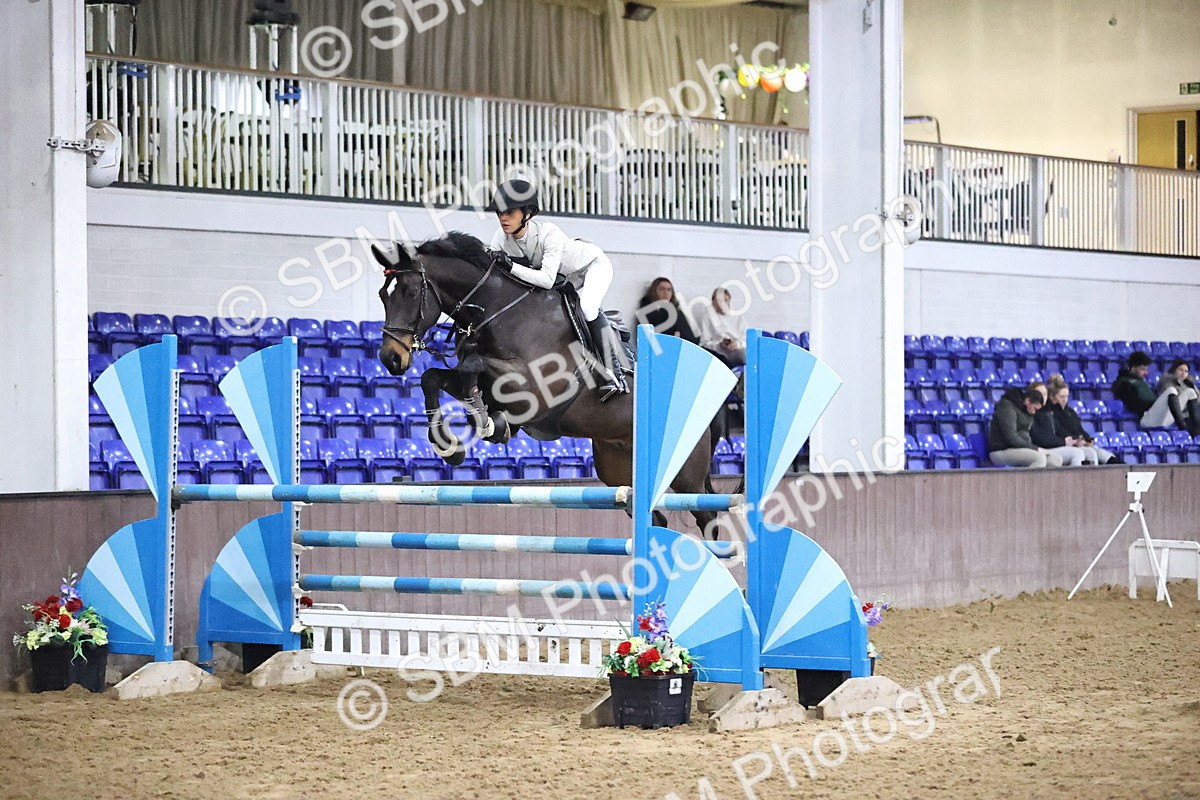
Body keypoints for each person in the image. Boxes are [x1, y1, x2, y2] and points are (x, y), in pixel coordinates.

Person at [486, 179, 626, 402]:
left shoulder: (549, 233)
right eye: (499, 212)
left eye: (510, 212)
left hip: (591, 267)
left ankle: (613, 373)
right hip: (566, 280)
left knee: (588, 307)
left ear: (527, 214)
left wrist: (510, 265)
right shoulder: (500, 238)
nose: (503, 218)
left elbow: (546, 279)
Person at [1042, 374, 1122, 465]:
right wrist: (1076, 440)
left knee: (1103, 454)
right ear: (1052, 397)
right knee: (1090, 453)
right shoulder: (1050, 413)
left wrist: (1087, 439)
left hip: (1078, 442)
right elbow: (1059, 431)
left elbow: (1079, 428)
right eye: (1061, 397)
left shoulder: (1070, 412)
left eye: (1067, 396)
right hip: (1066, 444)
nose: (1065, 400)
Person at [987, 386, 1065, 468]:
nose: (1034, 412)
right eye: (1034, 408)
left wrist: (1033, 448)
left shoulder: (1025, 411)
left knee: (1056, 459)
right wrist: (1034, 448)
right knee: (1039, 458)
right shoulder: (1006, 408)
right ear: (1027, 401)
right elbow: (1011, 438)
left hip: (1022, 448)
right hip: (1001, 450)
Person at [1027, 381, 1085, 466]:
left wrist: (1075, 440)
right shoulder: (1032, 413)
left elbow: (1059, 430)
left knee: (1089, 452)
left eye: (1045, 394)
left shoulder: (1047, 412)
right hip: (1042, 449)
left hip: (1055, 446)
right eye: (1039, 394)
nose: (1042, 397)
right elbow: (1040, 439)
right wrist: (1063, 442)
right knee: (1077, 453)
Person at [695, 287, 747, 367]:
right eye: (720, 301)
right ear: (713, 302)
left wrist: (736, 344)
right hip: (718, 354)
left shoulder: (739, 317)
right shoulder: (707, 317)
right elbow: (704, 343)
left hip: (739, 352)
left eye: (725, 300)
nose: (723, 304)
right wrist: (719, 346)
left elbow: (747, 342)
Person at [636, 277, 698, 343]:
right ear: (654, 291)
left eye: (669, 290)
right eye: (662, 289)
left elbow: (689, 337)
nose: (666, 293)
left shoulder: (677, 312)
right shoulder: (646, 312)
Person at [1147, 360, 1200, 435]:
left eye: (1186, 371)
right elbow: (1171, 401)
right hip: (1169, 414)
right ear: (1174, 370)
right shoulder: (1167, 383)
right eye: (1180, 370)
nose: (1183, 373)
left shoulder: (1189, 384)